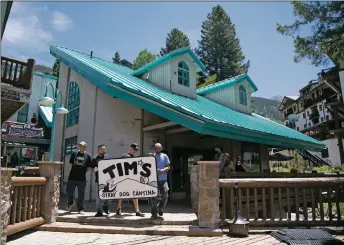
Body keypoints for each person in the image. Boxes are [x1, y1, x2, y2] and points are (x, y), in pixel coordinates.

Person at [116, 143, 145, 217]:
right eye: (134, 149)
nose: (134, 151)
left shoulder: (134, 158)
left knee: (134, 194)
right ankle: (118, 209)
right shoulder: (124, 156)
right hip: (123, 178)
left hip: (131, 179)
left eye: (135, 150)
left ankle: (137, 210)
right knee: (121, 194)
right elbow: (117, 164)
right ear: (131, 148)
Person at [66, 141, 92, 214]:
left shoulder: (88, 155)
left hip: (82, 178)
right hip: (72, 177)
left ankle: (80, 209)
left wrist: (83, 171)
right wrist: (75, 170)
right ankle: (70, 202)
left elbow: (89, 166)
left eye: (82, 146)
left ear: (85, 147)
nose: (81, 147)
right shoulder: (74, 154)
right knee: (69, 191)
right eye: (80, 145)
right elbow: (70, 163)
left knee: (81, 194)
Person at [151, 143, 170, 220]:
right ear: (154, 149)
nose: (158, 150)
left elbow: (168, 167)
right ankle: (154, 214)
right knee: (154, 197)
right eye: (156, 148)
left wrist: (162, 170)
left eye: (159, 148)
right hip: (154, 180)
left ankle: (161, 207)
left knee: (166, 192)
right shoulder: (152, 156)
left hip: (163, 179)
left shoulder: (165, 156)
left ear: (161, 148)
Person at [92, 144, 112, 217]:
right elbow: (91, 168)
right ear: (98, 150)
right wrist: (94, 169)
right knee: (98, 196)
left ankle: (105, 207)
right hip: (99, 180)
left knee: (108, 196)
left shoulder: (109, 157)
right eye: (102, 149)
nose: (103, 150)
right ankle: (99, 211)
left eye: (104, 149)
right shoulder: (95, 159)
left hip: (108, 180)